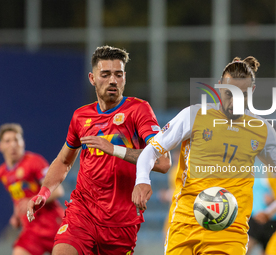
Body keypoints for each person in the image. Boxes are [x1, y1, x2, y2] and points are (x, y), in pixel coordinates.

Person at [132, 56, 276, 255]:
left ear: (251, 92)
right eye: (228, 93)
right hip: (185, 225)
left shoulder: (262, 130)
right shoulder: (193, 116)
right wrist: (142, 179)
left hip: (229, 232)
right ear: (219, 87)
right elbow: (152, 150)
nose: (234, 101)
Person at [26, 45, 171, 255]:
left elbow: (163, 162)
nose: (113, 80)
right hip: (83, 212)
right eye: (106, 74)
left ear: (124, 78)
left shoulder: (138, 110)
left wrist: (114, 149)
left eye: (118, 74)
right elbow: (64, 161)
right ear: (92, 78)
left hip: (121, 222)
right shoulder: (80, 116)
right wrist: (44, 191)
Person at [0, 123, 64, 255]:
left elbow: (58, 190)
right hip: (31, 230)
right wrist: (16, 216)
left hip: (53, 225)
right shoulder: (3, 173)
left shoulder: (34, 162)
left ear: (22, 142)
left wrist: (32, 201)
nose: (13, 144)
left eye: (16, 139)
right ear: (1, 146)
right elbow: (17, 198)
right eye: (8, 141)